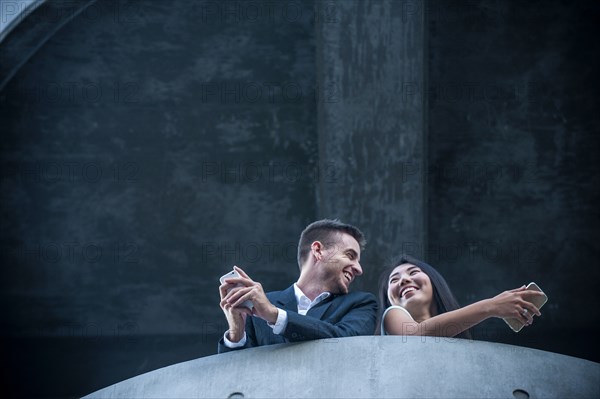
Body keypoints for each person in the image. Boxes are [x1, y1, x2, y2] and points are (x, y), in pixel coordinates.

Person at [218, 219, 378, 353]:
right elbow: (234, 377)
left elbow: (347, 342)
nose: (359, 269)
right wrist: (236, 335)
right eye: (350, 255)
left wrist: (275, 315)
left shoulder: (361, 304)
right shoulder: (258, 306)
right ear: (318, 250)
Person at [376, 255, 545, 338]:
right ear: (389, 298)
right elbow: (413, 335)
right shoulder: (391, 314)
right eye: (394, 280)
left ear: (434, 282)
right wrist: (491, 306)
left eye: (413, 272)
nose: (404, 280)